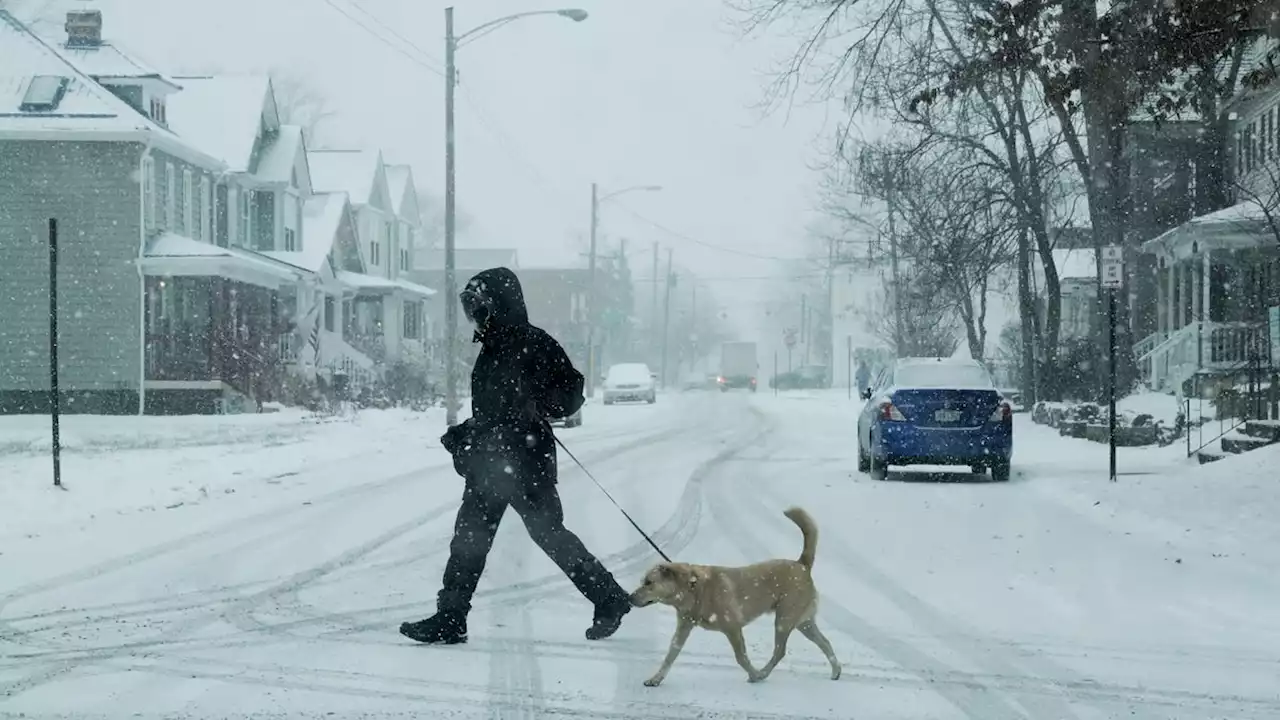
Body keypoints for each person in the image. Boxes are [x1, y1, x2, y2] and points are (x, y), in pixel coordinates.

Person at [399, 267, 632, 645]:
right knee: (468, 540)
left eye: (477, 306)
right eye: (469, 308)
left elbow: (570, 395)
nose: (473, 316)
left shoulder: (535, 343)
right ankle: (450, 617)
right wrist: (469, 433)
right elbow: (495, 411)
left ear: (497, 304)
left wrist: (538, 402)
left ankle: (609, 598)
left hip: (526, 463)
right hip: (488, 464)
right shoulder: (490, 349)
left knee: (549, 535)